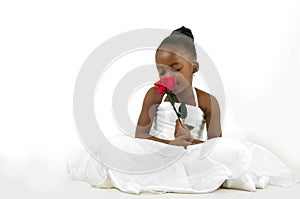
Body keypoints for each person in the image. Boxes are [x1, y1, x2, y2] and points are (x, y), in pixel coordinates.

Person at [67, 26, 300, 195]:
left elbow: (213, 145)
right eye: (161, 71)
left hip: (192, 154)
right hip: (157, 149)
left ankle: (190, 172)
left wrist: (188, 143)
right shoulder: (155, 94)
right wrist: (170, 144)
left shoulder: (208, 101)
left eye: (176, 68)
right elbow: (140, 136)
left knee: (234, 149)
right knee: (120, 143)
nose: (168, 77)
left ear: (194, 67)